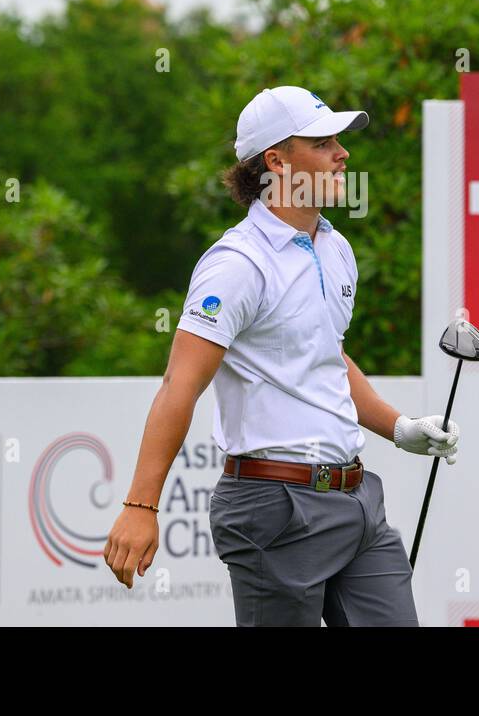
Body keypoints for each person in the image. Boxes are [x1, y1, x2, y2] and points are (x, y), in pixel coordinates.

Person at [103, 85, 460, 626]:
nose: (343, 153)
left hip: (358, 501)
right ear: (276, 160)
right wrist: (140, 505)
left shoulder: (334, 248)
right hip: (274, 508)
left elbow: (325, 358)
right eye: (322, 142)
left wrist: (400, 427)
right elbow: (181, 384)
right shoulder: (237, 264)